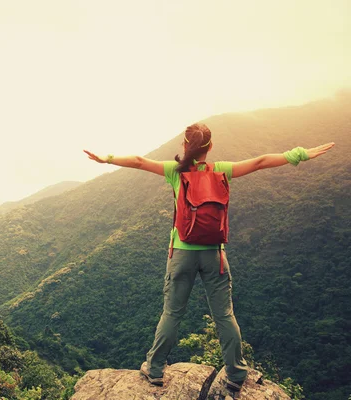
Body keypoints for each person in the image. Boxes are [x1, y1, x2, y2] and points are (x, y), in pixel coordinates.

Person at [84, 123, 335, 395]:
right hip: (215, 255)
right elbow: (261, 162)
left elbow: (138, 161)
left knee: (172, 313)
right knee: (224, 315)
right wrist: (299, 153)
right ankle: (236, 373)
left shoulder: (175, 171)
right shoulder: (221, 170)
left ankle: (155, 370)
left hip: (181, 253)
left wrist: (105, 158)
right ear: (210, 147)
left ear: (185, 145)